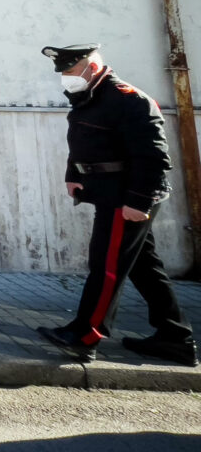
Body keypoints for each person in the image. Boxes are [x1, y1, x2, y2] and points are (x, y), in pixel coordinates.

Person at [35, 43, 196, 367]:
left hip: (126, 197)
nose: (65, 78)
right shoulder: (90, 97)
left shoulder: (128, 99)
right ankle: (175, 339)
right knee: (144, 267)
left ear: (91, 68)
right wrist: (73, 175)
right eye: (63, 73)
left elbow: (153, 157)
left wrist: (138, 201)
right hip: (109, 192)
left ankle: (85, 336)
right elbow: (83, 141)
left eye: (69, 71)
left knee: (107, 266)